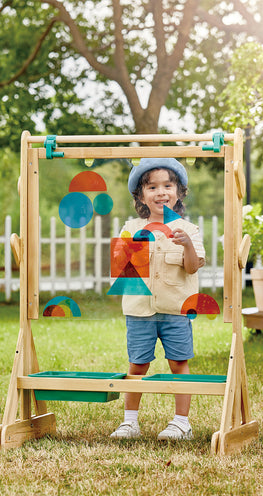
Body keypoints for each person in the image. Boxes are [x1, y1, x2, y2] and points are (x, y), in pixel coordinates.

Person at [110, 158, 205, 441]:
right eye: (152, 187)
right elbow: (120, 272)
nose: (160, 192)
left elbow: (192, 266)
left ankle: (181, 423)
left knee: (179, 363)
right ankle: (130, 422)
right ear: (141, 196)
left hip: (176, 309)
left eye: (168, 185)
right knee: (137, 365)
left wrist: (186, 245)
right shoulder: (131, 227)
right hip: (139, 311)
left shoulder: (189, 230)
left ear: (179, 191)